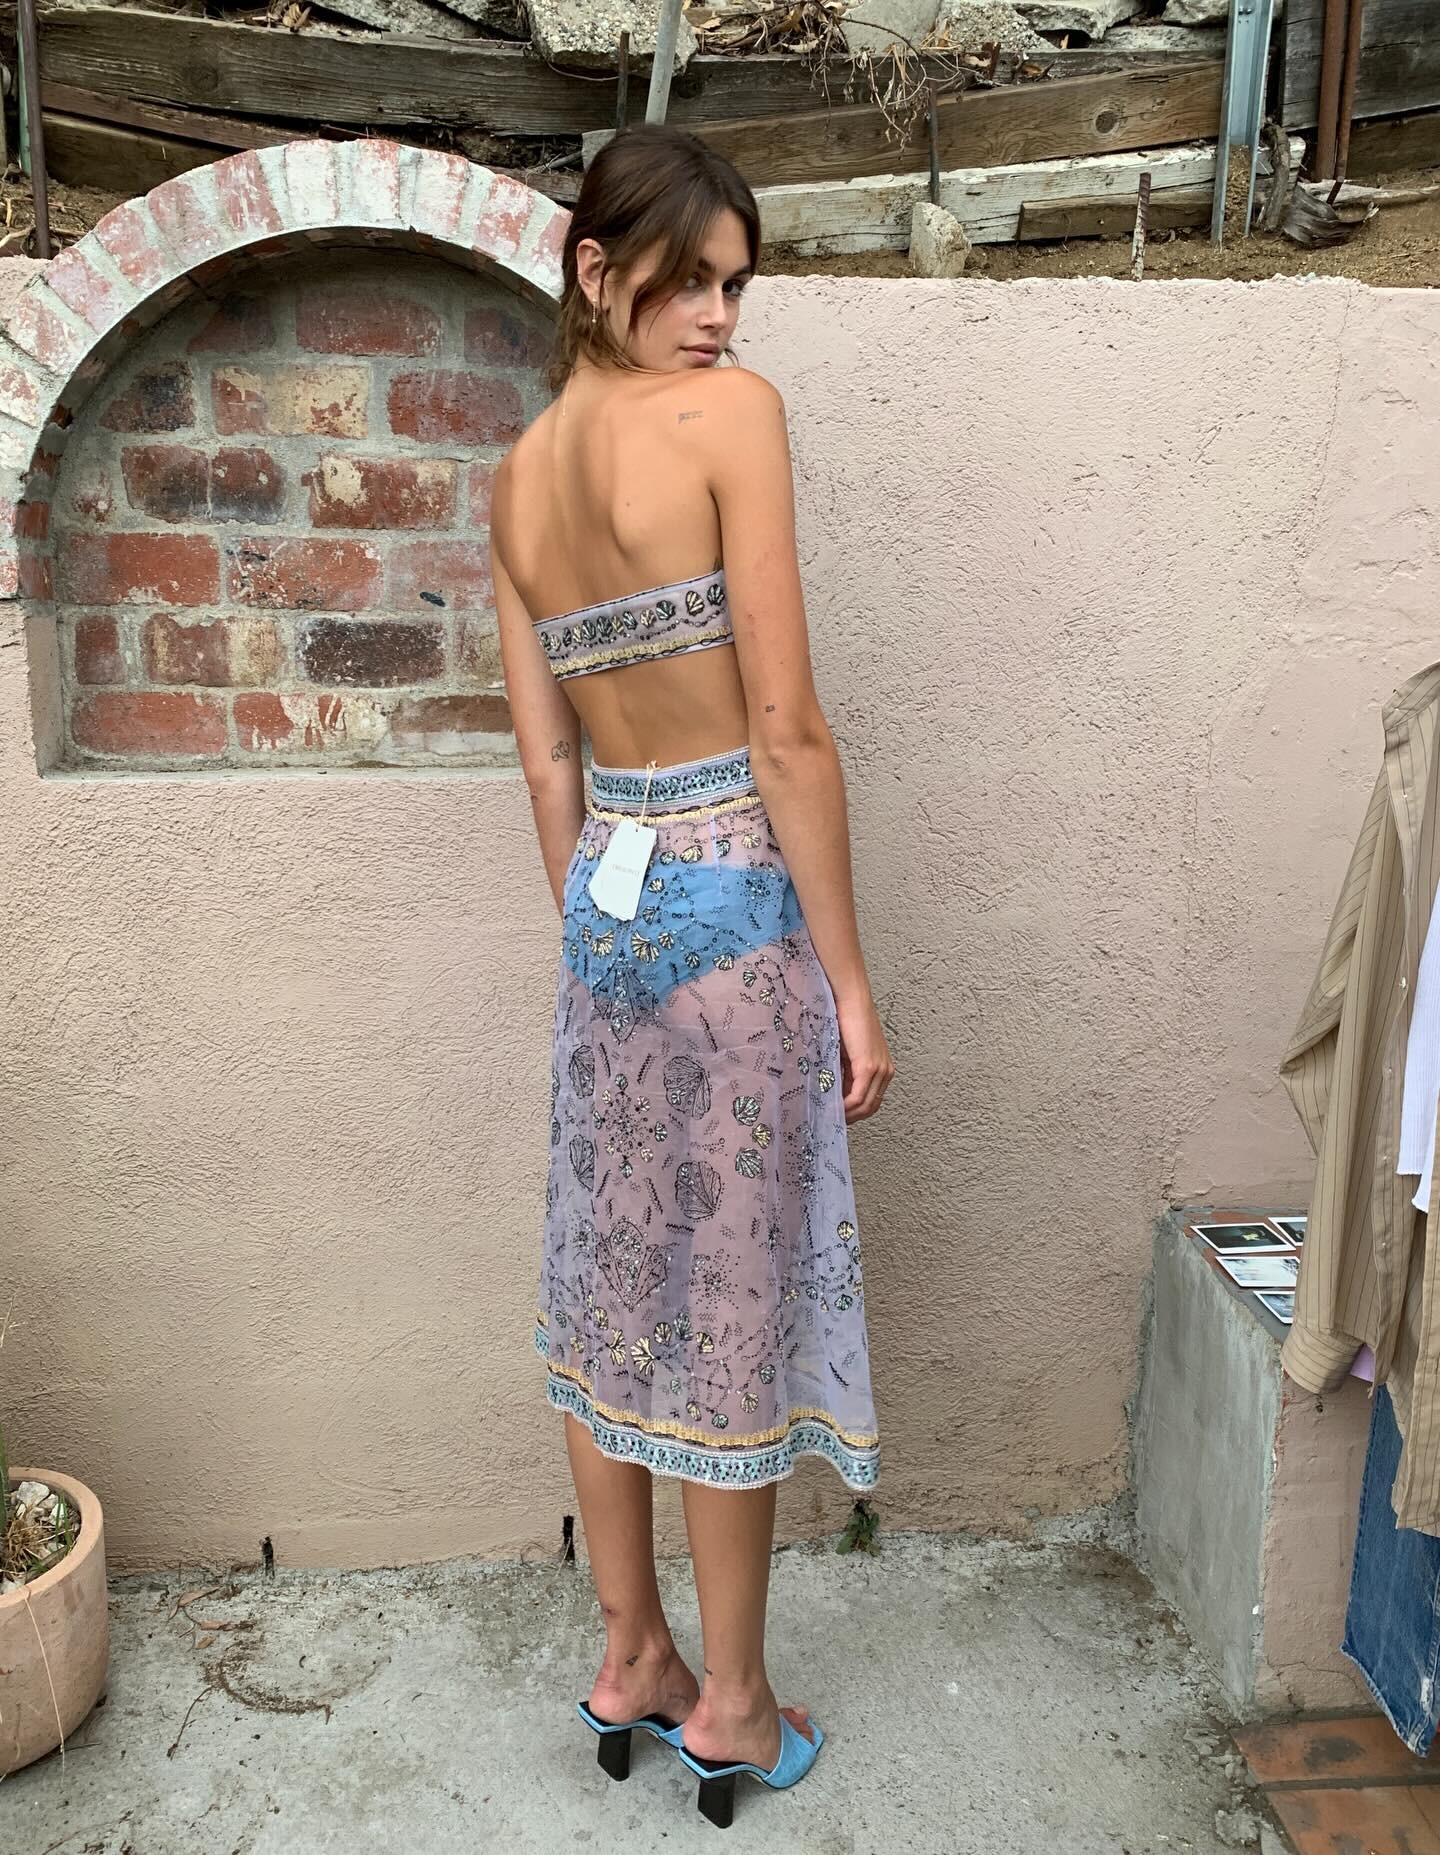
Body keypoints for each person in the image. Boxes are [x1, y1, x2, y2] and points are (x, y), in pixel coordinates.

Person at [490, 121, 892, 1827]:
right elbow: (786, 728)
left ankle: (629, 1651)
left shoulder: (516, 478)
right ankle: (730, 1701)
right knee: (723, 1310)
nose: (722, 318)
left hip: (608, 923)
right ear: (597, 270)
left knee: (609, 1289)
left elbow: (547, 765)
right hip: (737, 912)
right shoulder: (733, 421)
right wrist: (850, 983)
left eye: (738, 287)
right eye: (691, 282)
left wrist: (606, 945)